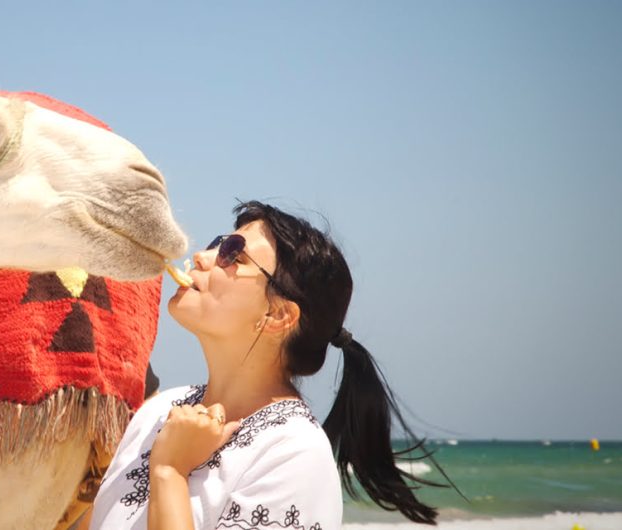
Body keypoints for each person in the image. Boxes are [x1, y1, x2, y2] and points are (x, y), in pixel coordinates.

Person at [85, 201, 443, 529]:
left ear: (278, 315)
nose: (201, 257)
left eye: (233, 255)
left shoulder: (293, 453)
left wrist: (170, 471)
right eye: (217, 244)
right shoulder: (159, 410)